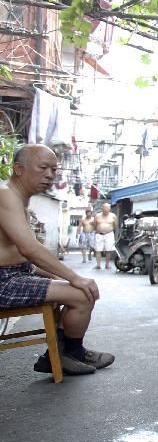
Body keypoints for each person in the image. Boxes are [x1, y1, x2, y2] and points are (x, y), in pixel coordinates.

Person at [0, 144, 114, 375]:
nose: (50, 175)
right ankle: (68, 354)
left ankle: (65, 354)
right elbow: (29, 247)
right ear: (19, 169)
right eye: (43, 168)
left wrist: (56, 274)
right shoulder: (5, 195)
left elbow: (20, 252)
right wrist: (74, 277)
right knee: (82, 293)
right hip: (4, 282)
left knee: (76, 287)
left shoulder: (17, 197)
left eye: (54, 169)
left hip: (16, 274)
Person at [93, 202, 118, 270]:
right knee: (98, 250)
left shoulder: (113, 216)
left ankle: (107, 264)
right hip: (99, 234)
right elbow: (94, 225)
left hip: (109, 234)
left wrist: (110, 230)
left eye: (108, 208)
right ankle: (98, 265)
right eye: (105, 207)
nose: (107, 209)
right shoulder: (97, 216)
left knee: (108, 250)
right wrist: (98, 230)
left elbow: (115, 225)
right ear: (102, 208)